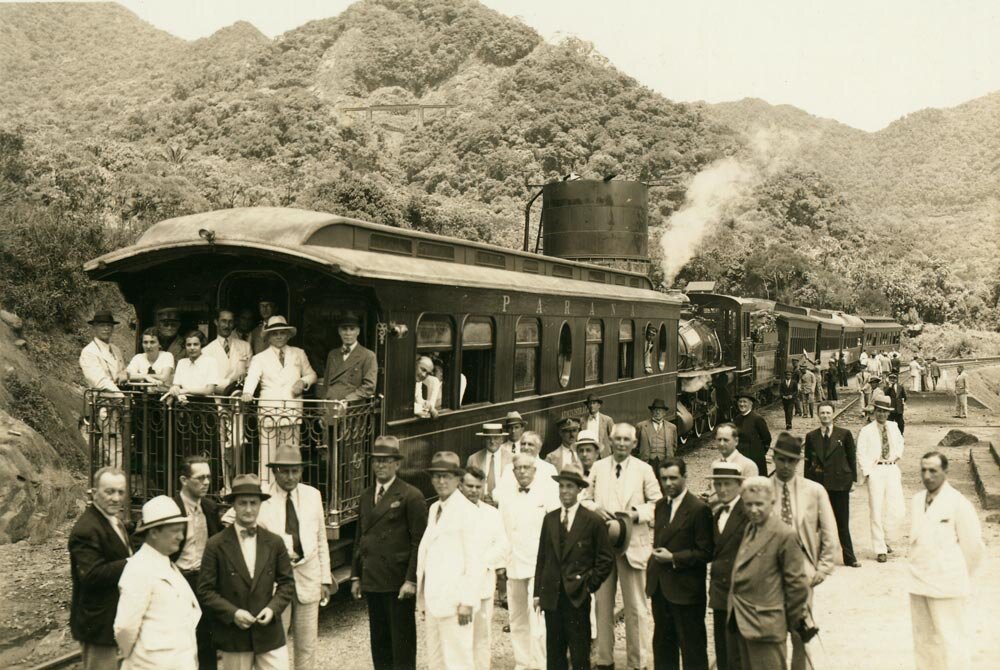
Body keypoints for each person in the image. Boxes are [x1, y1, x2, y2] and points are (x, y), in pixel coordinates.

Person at [581, 423, 662, 670]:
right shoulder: (597, 467)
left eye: (627, 440)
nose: (622, 444)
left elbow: (659, 503)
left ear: (635, 444)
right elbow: (584, 499)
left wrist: (637, 513)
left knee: (636, 606)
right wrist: (596, 509)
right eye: (618, 439)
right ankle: (605, 659)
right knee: (602, 604)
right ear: (610, 441)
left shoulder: (644, 470)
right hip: (603, 546)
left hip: (633, 544)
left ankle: (639, 662)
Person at [198, 474, 296, 670]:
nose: (249, 509)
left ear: (261, 505)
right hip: (234, 637)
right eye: (243, 503)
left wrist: (272, 609)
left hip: (269, 635)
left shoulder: (274, 542)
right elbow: (205, 591)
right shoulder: (215, 545)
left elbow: (287, 583)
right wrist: (233, 613)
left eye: (253, 503)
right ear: (233, 505)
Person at [352, 436, 427, 670]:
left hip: (398, 583)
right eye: (377, 461)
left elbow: (419, 542)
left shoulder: (410, 495)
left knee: (402, 646)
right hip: (373, 579)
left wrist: (411, 579)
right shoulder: (366, 496)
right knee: (380, 644)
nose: (381, 466)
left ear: (397, 464)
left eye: (386, 461)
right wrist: (356, 576)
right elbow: (360, 537)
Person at [256, 447, 334, 670]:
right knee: (275, 646)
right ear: (275, 472)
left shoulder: (313, 496)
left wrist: (324, 579)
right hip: (276, 583)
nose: (290, 477)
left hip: (308, 579)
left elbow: (321, 540)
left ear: (301, 471)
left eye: (295, 471)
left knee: (307, 645)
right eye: (285, 471)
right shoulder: (263, 499)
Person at [908, 451, 985, 670]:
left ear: (945, 472)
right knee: (923, 642)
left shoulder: (958, 503)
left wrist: (957, 575)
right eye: (923, 470)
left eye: (933, 470)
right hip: (919, 581)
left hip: (947, 584)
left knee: (952, 641)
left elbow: (974, 548)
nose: (927, 476)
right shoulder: (916, 501)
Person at [534, 463, 615, 670]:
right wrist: (538, 593)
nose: (564, 491)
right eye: (561, 487)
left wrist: (589, 585)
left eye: (570, 487)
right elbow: (542, 558)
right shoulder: (550, 518)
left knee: (579, 653)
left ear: (579, 490)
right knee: (554, 653)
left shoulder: (592, 521)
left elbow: (606, 559)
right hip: (552, 597)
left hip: (577, 597)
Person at [726, 476, 810, 670]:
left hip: (766, 627)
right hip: (743, 622)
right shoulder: (751, 527)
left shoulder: (784, 535)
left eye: (759, 504)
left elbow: (797, 586)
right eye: (748, 505)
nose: (753, 510)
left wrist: (789, 622)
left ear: (772, 503)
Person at [769, 434, 838, 670]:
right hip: (769, 573)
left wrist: (823, 568)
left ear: (798, 462)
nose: (786, 466)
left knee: (800, 633)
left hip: (802, 571)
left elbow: (830, 532)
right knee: (773, 634)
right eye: (781, 460)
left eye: (791, 461)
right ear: (773, 458)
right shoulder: (762, 489)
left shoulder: (814, 490)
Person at [416, 452, 486, 670]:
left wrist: (467, 601)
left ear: (458, 479)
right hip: (434, 600)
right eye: (436, 476)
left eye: (447, 476)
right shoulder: (434, 508)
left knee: (458, 662)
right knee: (436, 661)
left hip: (457, 603)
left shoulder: (467, 512)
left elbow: (476, 561)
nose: (441, 481)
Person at [114, 496, 201, 670]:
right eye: (174, 531)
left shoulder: (167, 565)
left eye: (182, 530)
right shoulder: (139, 569)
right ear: (154, 532)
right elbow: (124, 627)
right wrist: (134, 657)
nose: (181, 536)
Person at [646, 457, 714, 670]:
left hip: (687, 593)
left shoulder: (698, 509)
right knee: (664, 650)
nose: (668, 484)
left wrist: (674, 558)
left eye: (673, 478)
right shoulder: (660, 507)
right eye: (664, 479)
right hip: (661, 591)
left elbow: (706, 552)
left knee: (692, 650)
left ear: (685, 477)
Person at [496, 452, 560, 670]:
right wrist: (501, 563)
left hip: (537, 565)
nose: (522, 471)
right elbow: (501, 531)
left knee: (538, 619)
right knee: (517, 617)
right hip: (513, 563)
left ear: (534, 470)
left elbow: (554, 532)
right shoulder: (506, 497)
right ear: (513, 472)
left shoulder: (547, 495)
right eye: (518, 468)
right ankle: (522, 663)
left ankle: (541, 664)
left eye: (526, 467)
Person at [69, 467, 132, 670]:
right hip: (97, 621)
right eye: (109, 491)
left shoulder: (111, 520)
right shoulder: (86, 529)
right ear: (94, 492)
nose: (116, 498)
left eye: (121, 492)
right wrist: (134, 562)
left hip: (111, 617)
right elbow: (92, 575)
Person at [242, 316, 317, 482]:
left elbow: (312, 374)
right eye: (274, 333)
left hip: (292, 409)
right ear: (268, 337)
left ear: (288, 335)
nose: (279, 336)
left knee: (290, 455)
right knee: (267, 455)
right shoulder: (259, 358)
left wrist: (303, 381)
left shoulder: (299, 353)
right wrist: (247, 392)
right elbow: (252, 378)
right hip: (269, 411)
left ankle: (289, 488)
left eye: (282, 333)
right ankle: (266, 491)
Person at [173, 456, 224, 670]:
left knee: (207, 642)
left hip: (204, 582)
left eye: (209, 477)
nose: (206, 482)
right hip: (180, 581)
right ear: (184, 480)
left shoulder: (210, 508)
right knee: (179, 643)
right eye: (200, 477)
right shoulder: (171, 508)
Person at [460, 466, 509, 670]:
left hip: (483, 584)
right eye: (469, 486)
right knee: (460, 637)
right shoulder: (452, 512)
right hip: (459, 585)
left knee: (482, 635)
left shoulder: (492, 514)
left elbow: (502, 545)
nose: (473, 491)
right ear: (461, 486)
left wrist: (483, 561)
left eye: (478, 487)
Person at [804, 403, 859, 568]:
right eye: (822, 413)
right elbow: (808, 463)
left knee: (842, 522)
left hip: (840, 484)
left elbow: (851, 458)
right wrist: (807, 484)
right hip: (819, 485)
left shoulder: (844, 434)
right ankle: (818, 557)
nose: (825, 415)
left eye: (828, 412)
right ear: (818, 415)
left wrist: (853, 481)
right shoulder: (811, 436)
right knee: (818, 523)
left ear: (833, 414)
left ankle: (849, 557)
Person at [706, 463, 750, 670]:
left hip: (742, 596)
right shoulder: (715, 515)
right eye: (718, 484)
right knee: (723, 650)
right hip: (719, 594)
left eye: (728, 484)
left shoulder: (748, 514)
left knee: (740, 654)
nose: (722, 489)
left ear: (739, 486)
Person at [857, 397, 905, 563]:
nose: (882, 414)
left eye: (885, 411)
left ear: (888, 413)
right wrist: (868, 472)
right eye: (879, 411)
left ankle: (886, 538)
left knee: (897, 508)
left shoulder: (893, 426)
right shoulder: (866, 431)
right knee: (876, 508)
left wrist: (896, 456)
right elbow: (861, 452)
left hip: (892, 468)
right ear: (874, 411)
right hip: (876, 470)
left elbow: (900, 443)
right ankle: (880, 548)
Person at [323, 314, 377, 403]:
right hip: (331, 405)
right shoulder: (332, 354)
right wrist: (324, 404)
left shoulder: (368, 355)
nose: (348, 333)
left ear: (358, 331)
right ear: (339, 331)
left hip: (352, 408)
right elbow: (326, 384)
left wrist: (348, 400)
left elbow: (369, 386)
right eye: (344, 329)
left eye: (352, 329)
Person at [203, 308, 252, 395]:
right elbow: (206, 381)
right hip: (217, 399)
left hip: (239, 397)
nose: (227, 325)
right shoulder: (206, 351)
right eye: (223, 321)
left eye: (230, 322)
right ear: (216, 322)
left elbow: (251, 372)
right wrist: (230, 382)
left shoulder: (245, 346)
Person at [467, 422, 513, 504]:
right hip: (479, 505)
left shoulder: (511, 459)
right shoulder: (473, 459)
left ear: (502, 439)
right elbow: (467, 486)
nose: (492, 441)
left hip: (504, 505)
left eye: (496, 438)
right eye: (488, 438)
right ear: (484, 440)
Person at [733, 393, 771, 476]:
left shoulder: (757, 419)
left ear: (751, 404)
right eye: (740, 402)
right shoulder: (737, 419)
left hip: (755, 458)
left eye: (745, 402)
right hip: (740, 458)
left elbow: (767, 438)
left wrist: (760, 453)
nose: (742, 404)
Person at [636, 398, 678, 472]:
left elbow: (674, 445)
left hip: (665, 461)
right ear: (651, 412)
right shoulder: (641, 426)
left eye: (660, 410)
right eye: (655, 410)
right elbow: (635, 445)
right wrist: (642, 455)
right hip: (648, 461)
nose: (658, 412)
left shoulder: (672, 427)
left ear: (664, 413)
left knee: (663, 482)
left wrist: (669, 456)